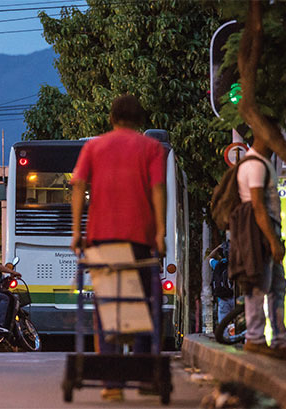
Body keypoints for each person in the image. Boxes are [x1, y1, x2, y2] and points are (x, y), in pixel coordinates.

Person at [70, 94, 166, 402]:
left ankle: (111, 383)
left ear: (111, 118)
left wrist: (76, 232)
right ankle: (145, 375)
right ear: (140, 120)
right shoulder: (151, 148)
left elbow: (78, 185)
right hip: (141, 238)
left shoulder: (93, 147)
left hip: (102, 238)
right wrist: (161, 231)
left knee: (107, 305)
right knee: (146, 304)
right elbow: (157, 189)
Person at [230, 137, 286, 362]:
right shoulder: (255, 165)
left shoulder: (261, 163)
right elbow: (258, 206)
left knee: (278, 286)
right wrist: (272, 239)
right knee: (259, 286)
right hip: (259, 235)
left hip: (268, 233)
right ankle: (255, 338)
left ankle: (280, 341)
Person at [208, 241, 234, 323]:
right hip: (235, 297)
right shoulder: (236, 264)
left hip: (222, 299)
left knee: (223, 323)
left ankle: (224, 335)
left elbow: (210, 257)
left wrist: (219, 247)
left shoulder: (218, 265)